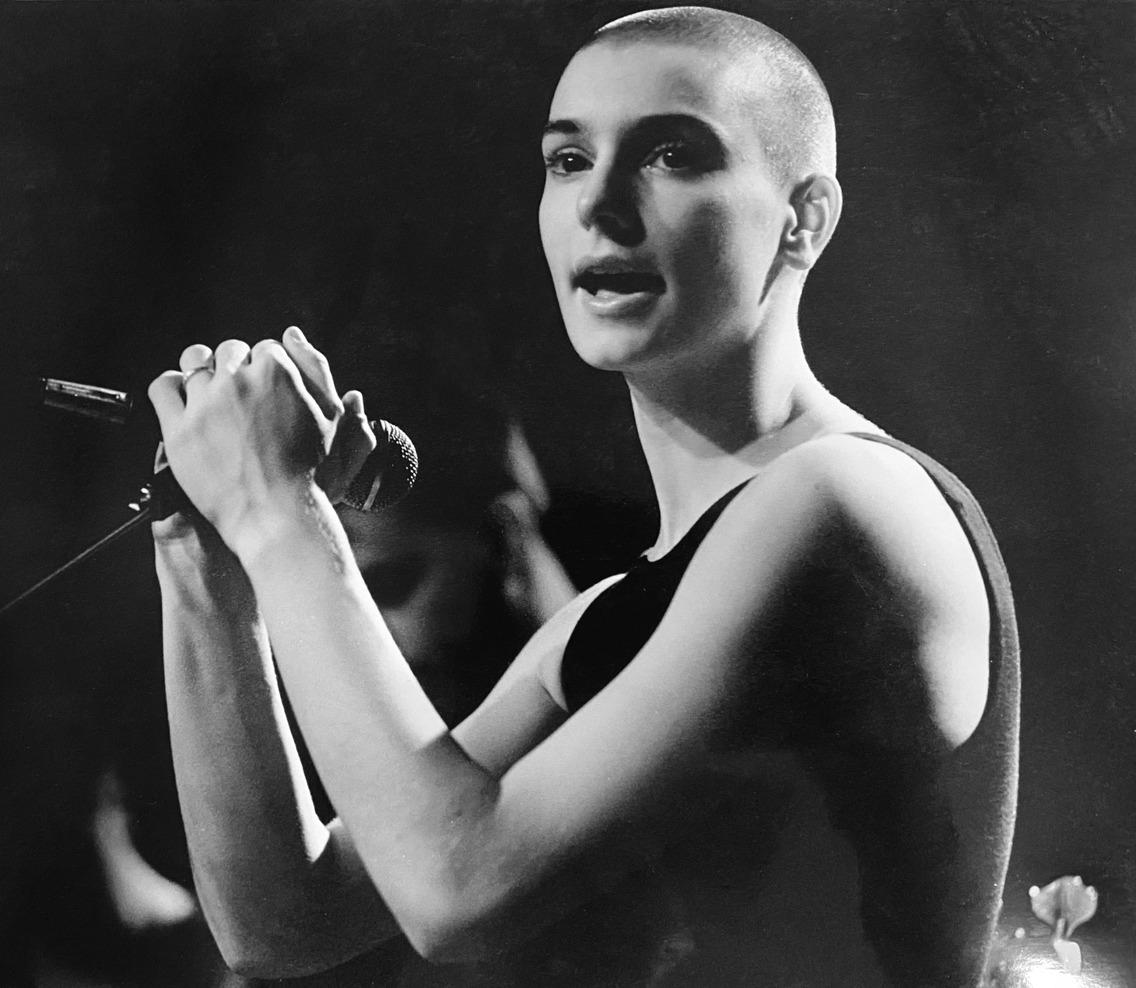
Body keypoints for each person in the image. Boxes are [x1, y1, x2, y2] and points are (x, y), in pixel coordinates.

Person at [147, 7, 1019, 986]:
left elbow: (453, 887)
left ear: (803, 218)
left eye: (672, 154)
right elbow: (284, 925)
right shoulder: (612, 615)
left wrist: (276, 511)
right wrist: (206, 549)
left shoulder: (842, 498)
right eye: (568, 160)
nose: (599, 205)